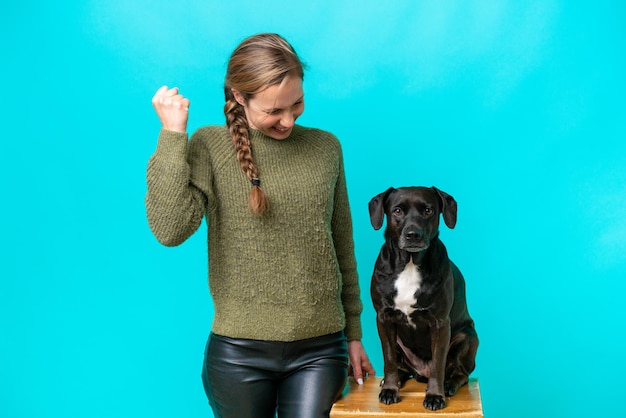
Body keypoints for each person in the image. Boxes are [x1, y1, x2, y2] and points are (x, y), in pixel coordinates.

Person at [145, 33, 375, 418]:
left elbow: (341, 244)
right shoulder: (210, 146)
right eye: (273, 111)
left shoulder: (325, 148)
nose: (287, 120)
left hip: (321, 348)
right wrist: (172, 136)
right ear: (238, 96)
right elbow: (170, 229)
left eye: (297, 103)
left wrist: (353, 334)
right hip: (238, 355)